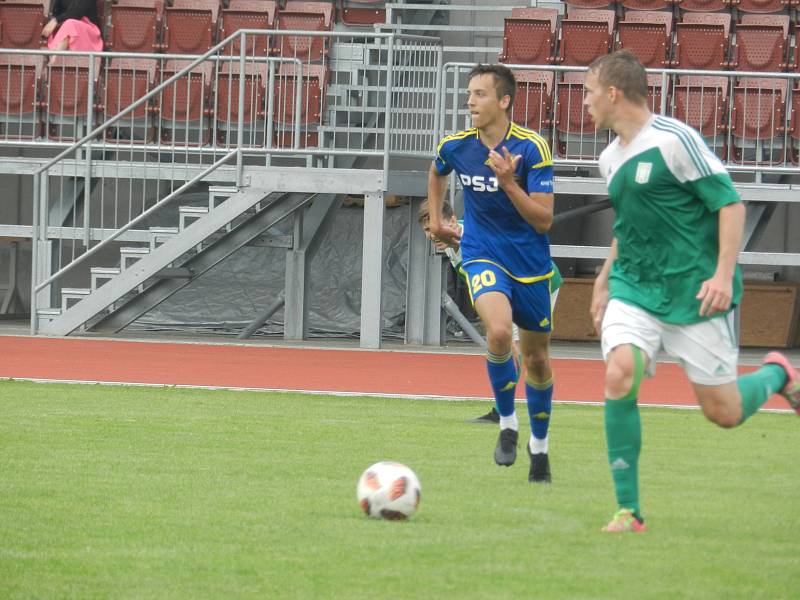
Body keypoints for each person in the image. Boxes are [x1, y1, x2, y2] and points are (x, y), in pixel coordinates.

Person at [584, 50, 800, 533]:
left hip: (693, 293)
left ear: (613, 93)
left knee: (724, 412)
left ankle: (776, 374)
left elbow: (730, 204)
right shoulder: (609, 158)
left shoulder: (675, 140)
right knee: (620, 372)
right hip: (634, 287)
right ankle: (628, 511)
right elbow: (627, 225)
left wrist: (723, 275)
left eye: (588, 91)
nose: (584, 103)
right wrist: (603, 279)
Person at [427, 64, 557, 483]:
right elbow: (437, 171)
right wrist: (437, 219)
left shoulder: (532, 148)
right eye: (468, 94)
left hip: (531, 264)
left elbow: (543, 221)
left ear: (504, 101)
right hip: (482, 253)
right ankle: (506, 424)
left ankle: (539, 448)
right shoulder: (457, 146)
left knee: (536, 360)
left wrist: (509, 183)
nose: (470, 102)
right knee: (499, 333)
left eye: (480, 94)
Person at [417, 199, 564, 426]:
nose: (433, 234)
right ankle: (508, 410)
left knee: (518, 348)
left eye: (436, 227)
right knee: (514, 346)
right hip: (510, 289)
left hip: (534, 283)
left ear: (453, 221)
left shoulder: (476, 238)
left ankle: (505, 412)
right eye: (427, 230)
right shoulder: (450, 244)